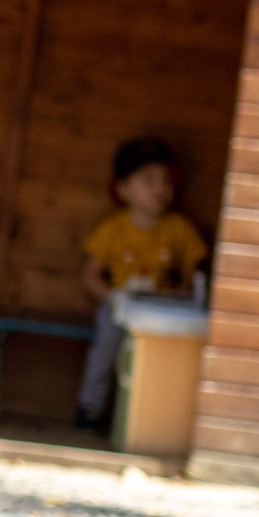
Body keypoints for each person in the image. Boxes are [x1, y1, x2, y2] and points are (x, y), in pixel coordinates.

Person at [77, 136, 209, 428]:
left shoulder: (179, 229)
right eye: (148, 181)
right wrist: (113, 299)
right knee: (105, 350)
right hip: (120, 308)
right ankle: (90, 410)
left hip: (162, 312)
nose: (160, 189)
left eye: (166, 181)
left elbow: (194, 274)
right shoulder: (113, 228)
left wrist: (179, 296)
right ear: (122, 189)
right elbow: (91, 274)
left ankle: (151, 421)